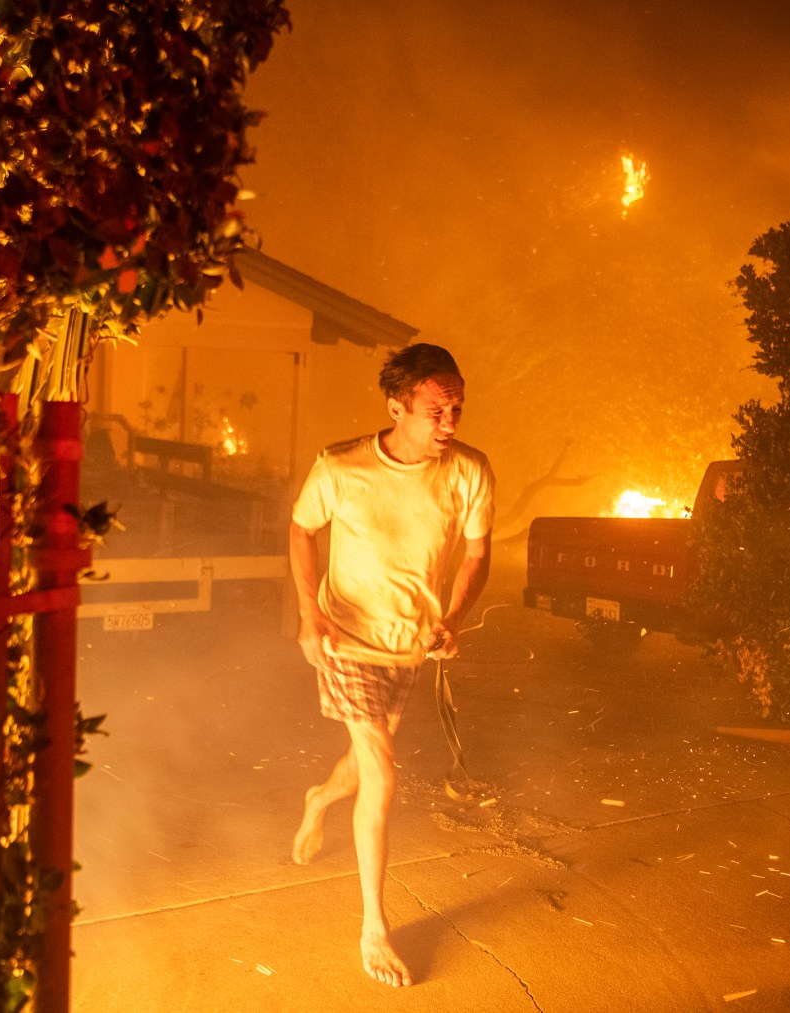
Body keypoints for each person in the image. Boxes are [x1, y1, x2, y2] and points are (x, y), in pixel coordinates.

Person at [287, 342, 495, 987]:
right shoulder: (340, 465)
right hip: (344, 638)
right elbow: (302, 529)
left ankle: (319, 798)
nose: (450, 422)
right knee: (382, 769)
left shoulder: (470, 471)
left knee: (361, 765)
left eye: (456, 407)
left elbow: (476, 553)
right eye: (436, 410)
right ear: (396, 406)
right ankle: (374, 926)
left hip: (408, 644)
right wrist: (308, 613)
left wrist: (452, 618)